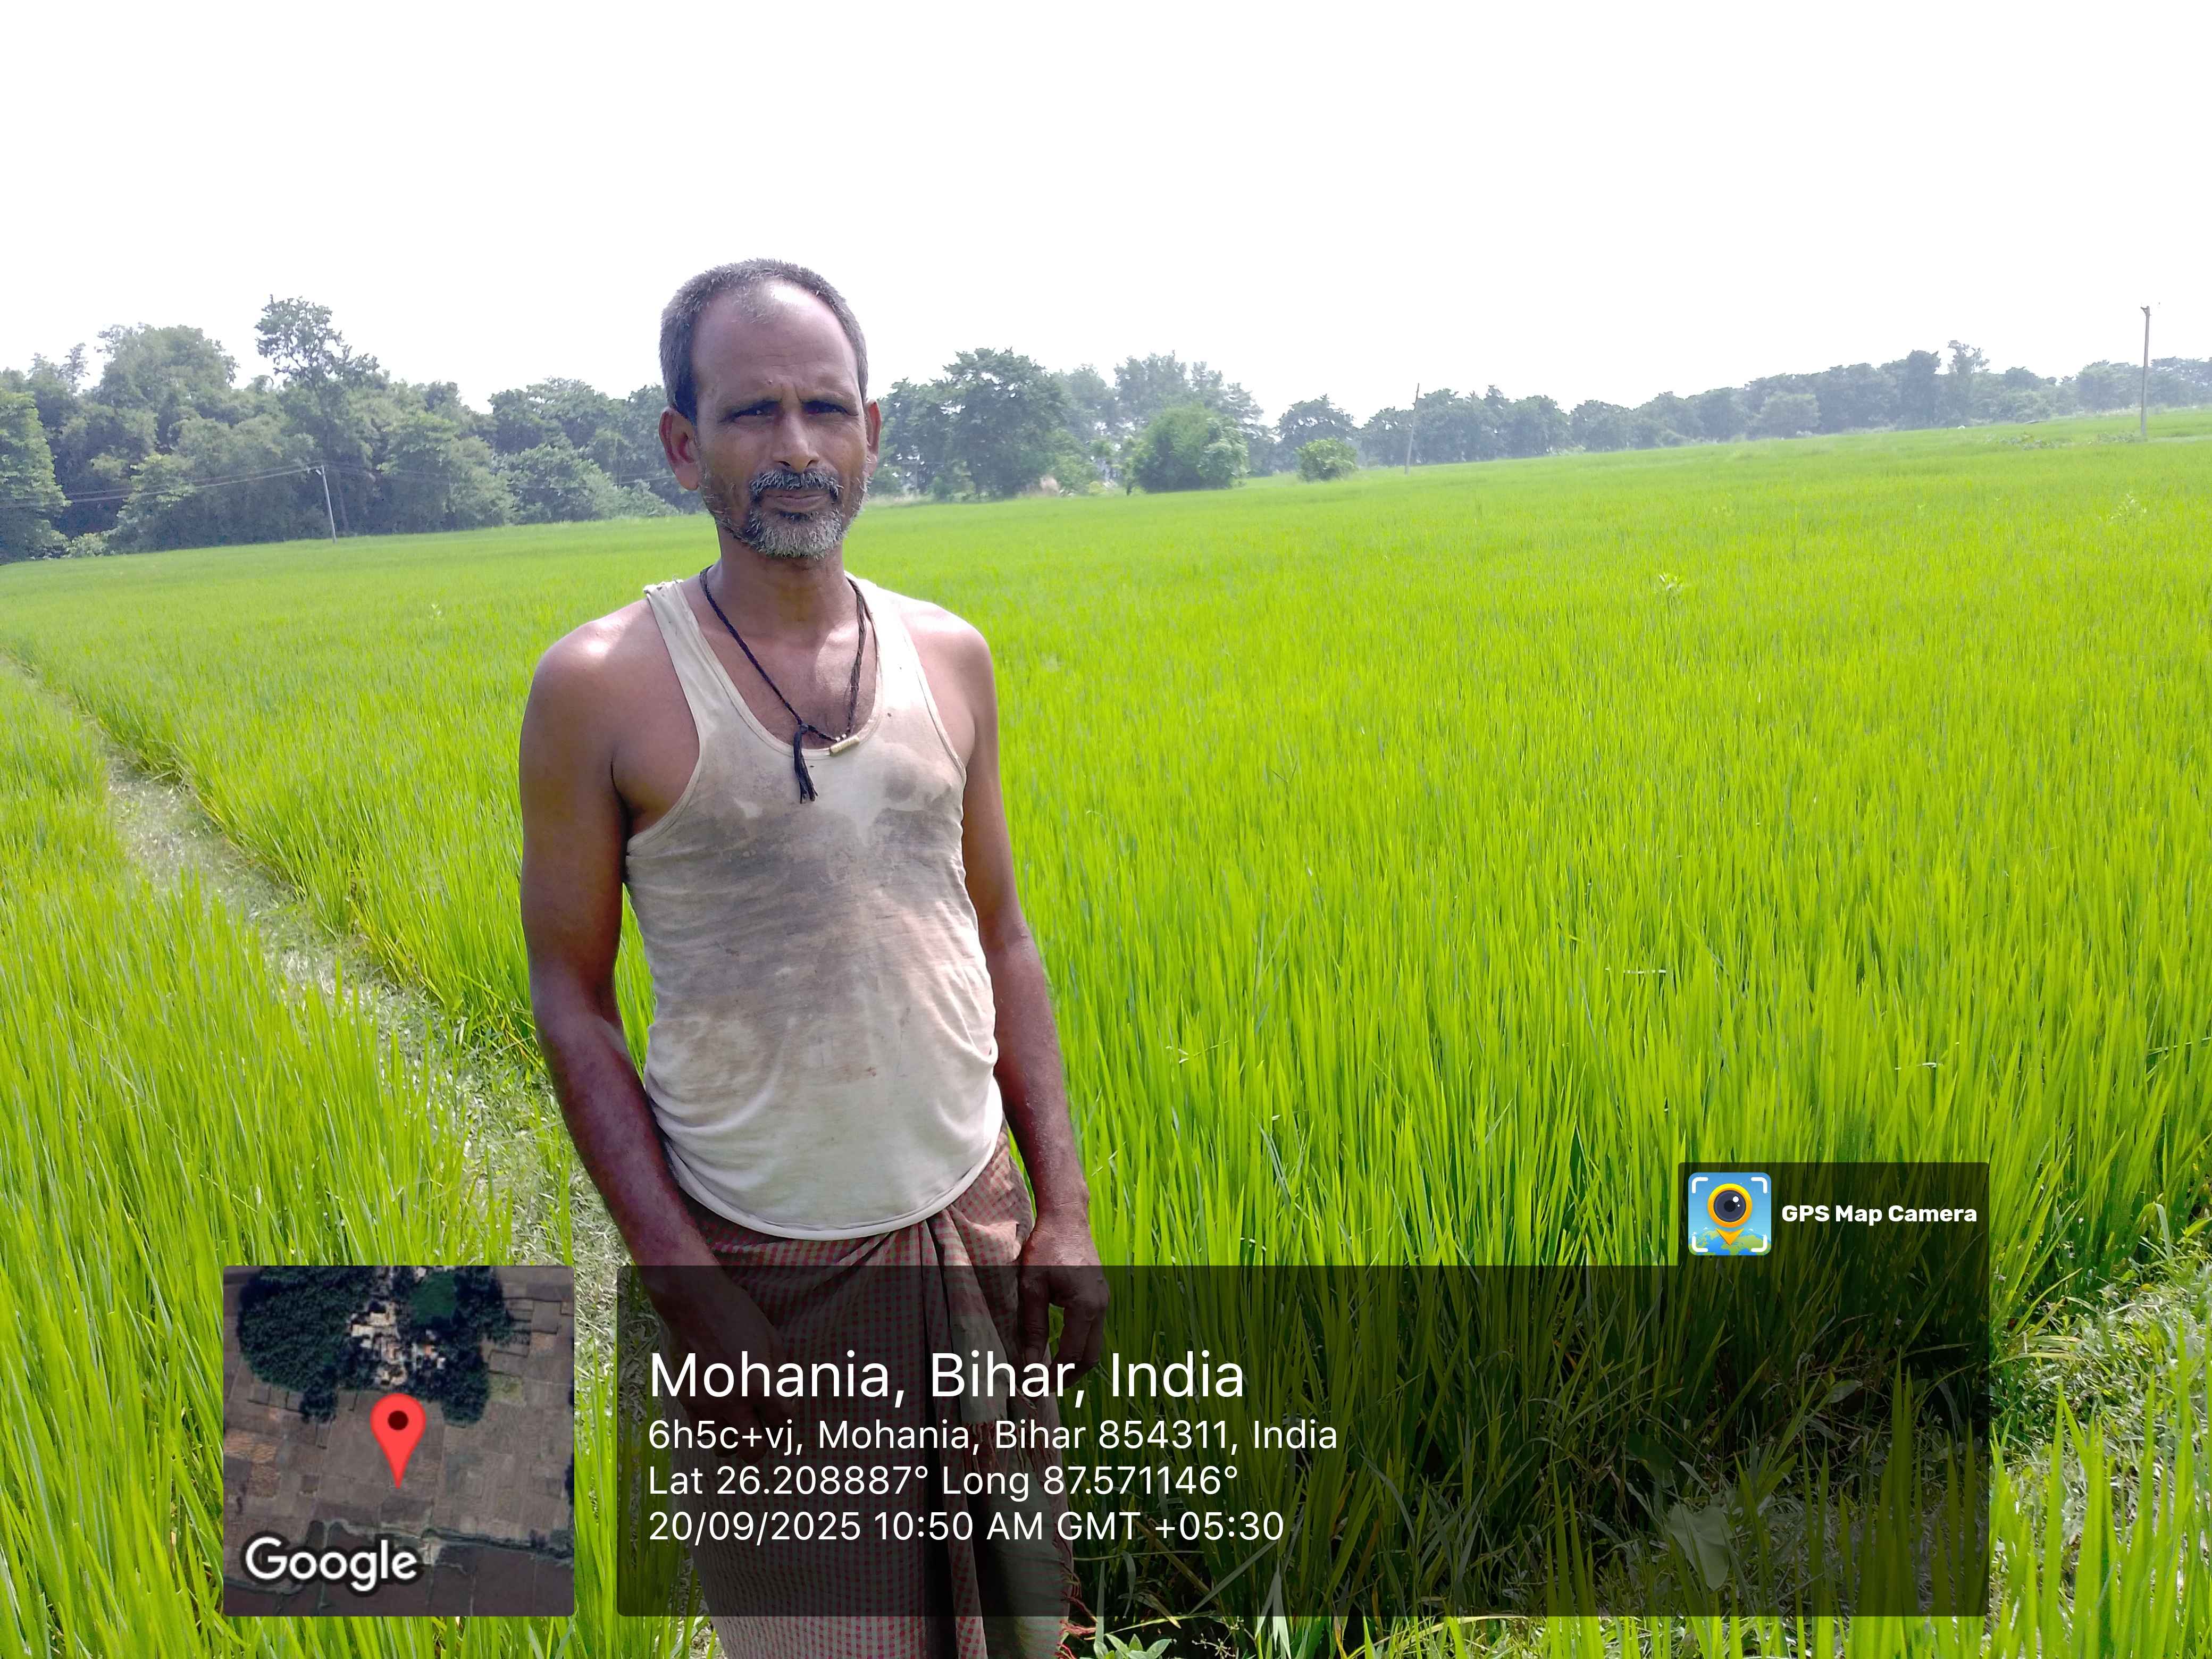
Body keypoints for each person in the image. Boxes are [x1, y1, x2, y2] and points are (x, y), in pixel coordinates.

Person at [518, 258, 1105, 1658]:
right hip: (762, 1262)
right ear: (683, 446)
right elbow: (572, 1000)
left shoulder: (950, 656)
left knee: (1022, 1623)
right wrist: (691, 1291)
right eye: (751, 412)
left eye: (826, 408)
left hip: (968, 1222)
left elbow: (1002, 932)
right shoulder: (600, 685)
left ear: (873, 433)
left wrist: (1063, 1209)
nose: (795, 446)